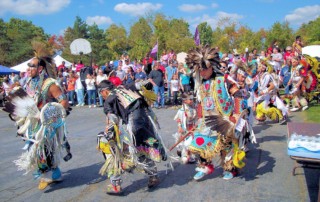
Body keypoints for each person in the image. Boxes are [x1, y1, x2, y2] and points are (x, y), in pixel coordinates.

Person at [3, 53, 72, 190]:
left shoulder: (50, 84)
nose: (28, 69)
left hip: (46, 124)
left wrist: (50, 115)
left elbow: (64, 102)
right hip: (33, 123)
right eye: (28, 66)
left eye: (32, 66)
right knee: (35, 148)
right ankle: (54, 173)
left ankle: (47, 174)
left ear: (40, 69)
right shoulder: (28, 81)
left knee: (43, 149)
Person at [182, 45, 247, 180]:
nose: (203, 73)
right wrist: (198, 117)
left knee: (226, 147)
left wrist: (236, 115)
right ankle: (205, 166)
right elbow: (200, 101)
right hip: (207, 119)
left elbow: (238, 94)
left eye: (205, 69)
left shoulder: (223, 80)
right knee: (199, 142)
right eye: (200, 70)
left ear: (212, 66)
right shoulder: (200, 82)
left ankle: (231, 169)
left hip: (224, 119)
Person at [97, 80, 168, 194]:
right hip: (146, 122)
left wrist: (109, 133)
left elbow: (113, 119)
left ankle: (116, 184)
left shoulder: (109, 101)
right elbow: (145, 84)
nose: (102, 96)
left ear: (104, 91)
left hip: (133, 125)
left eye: (101, 94)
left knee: (117, 152)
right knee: (143, 147)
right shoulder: (125, 87)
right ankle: (153, 175)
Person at [173, 92, 197, 164]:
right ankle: (184, 154)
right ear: (185, 101)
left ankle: (189, 155)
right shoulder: (182, 110)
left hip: (192, 128)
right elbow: (179, 119)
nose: (192, 100)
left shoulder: (193, 108)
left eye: (192, 99)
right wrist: (179, 126)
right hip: (185, 128)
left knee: (190, 142)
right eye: (190, 99)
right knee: (184, 143)